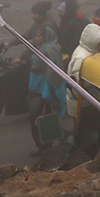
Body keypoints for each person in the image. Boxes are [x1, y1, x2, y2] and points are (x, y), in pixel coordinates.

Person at [27, 26, 65, 155]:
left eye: (39, 35)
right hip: (37, 90)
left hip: (45, 92)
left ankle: (48, 149)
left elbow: (54, 74)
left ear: (46, 37)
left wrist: (49, 91)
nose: (36, 38)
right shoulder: (41, 48)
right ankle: (43, 148)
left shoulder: (51, 49)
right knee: (36, 120)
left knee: (43, 119)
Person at [66, 22, 100, 119]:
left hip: (84, 104)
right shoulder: (82, 58)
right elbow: (79, 84)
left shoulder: (87, 51)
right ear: (92, 40)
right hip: (82, 107)